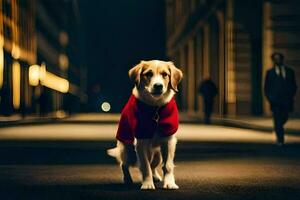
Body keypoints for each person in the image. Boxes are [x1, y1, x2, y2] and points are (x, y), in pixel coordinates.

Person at [264, 53, 297, 146]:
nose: (277, 60)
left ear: (282, 59)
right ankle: (280, 139)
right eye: (275, 59)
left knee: (285, 117)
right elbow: (266, 87)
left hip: (286, 101)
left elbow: (293, 85)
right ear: (273, 60)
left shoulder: (289, 71)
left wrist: (291, 95)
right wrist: (270, 98)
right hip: (275, 102)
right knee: (277, 119)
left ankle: (278, 129)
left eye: (279, 59)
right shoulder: (270, 73)